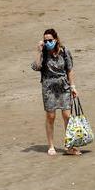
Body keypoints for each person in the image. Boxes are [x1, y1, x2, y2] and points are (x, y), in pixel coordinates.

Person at [31, 28, 81, 156]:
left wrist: (73, 86)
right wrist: (38, 51)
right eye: (45, 40)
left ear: (56, 39)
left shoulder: (64, 52)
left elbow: (69, 69)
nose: (48, 43)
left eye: (50, 40)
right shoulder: (44, 53)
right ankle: (51, 145)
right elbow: (36, 67)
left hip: (64, 86)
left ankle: (69, 146)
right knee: (50, 116)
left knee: (67, 116)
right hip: (48, 88)